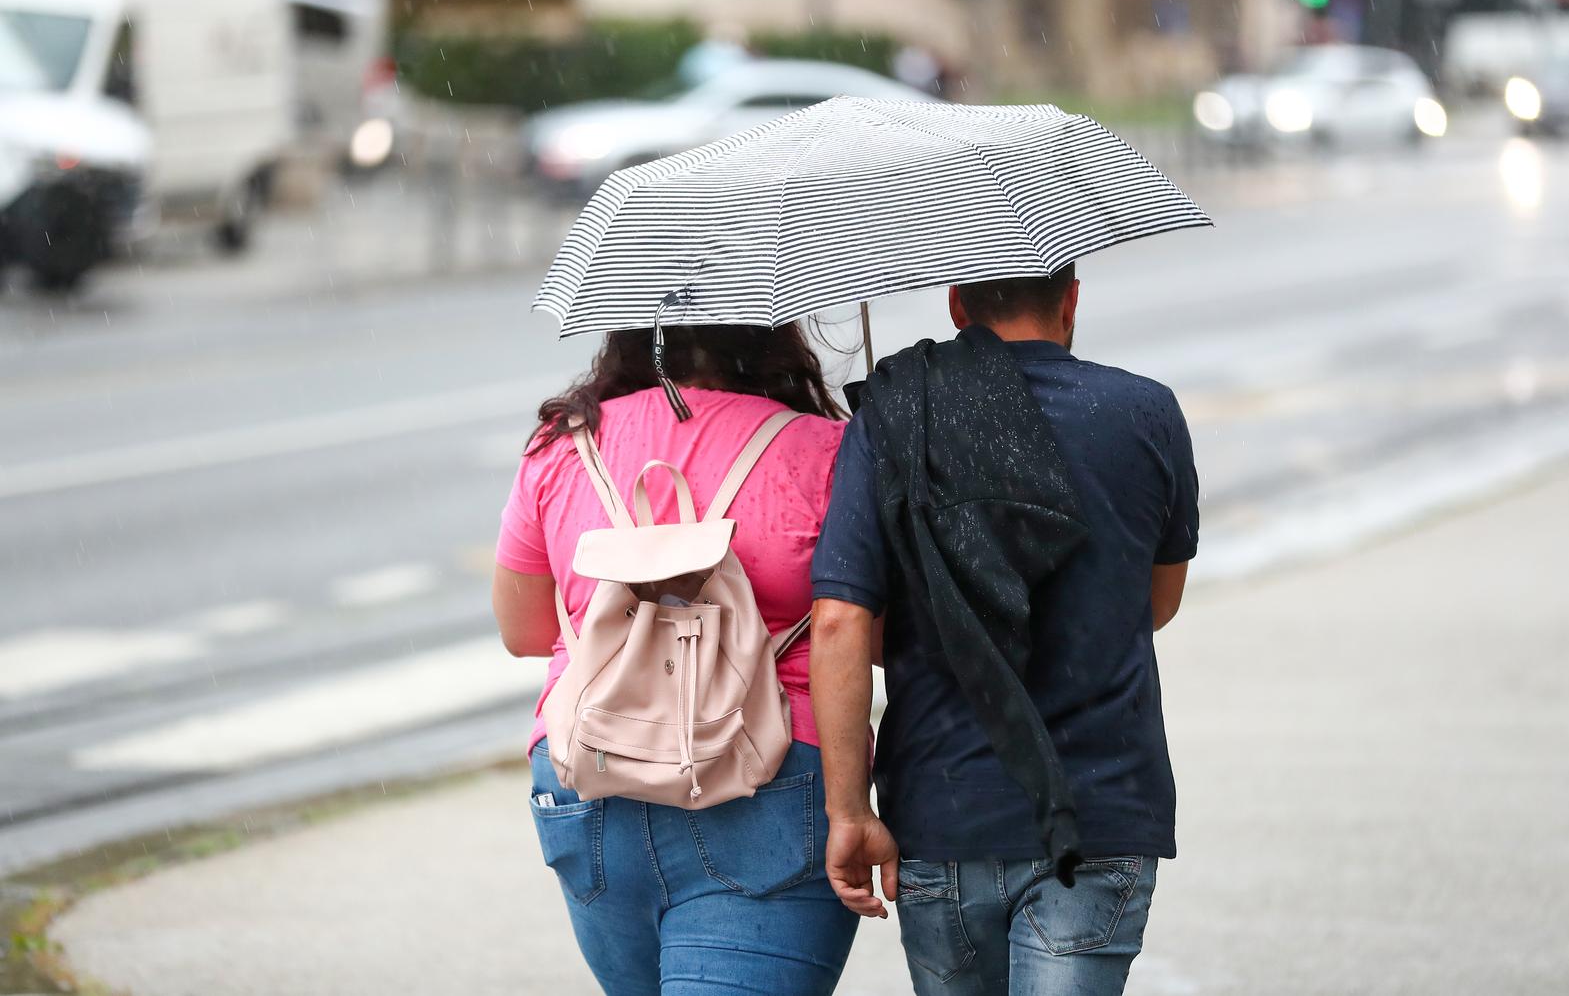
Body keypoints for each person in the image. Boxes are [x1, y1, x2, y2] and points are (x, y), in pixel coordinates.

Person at [810, 263, 1199, 995]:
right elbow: (1155, 603)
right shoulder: (1145, 412)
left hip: (944, 807)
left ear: (957, 306)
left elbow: (838, 621)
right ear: (1072, 298)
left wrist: (848, 809)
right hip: (1100, 809)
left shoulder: (897, 415)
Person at [492, 324, 857, 996]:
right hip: (768, 783)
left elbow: (523, 630)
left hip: (593, 774)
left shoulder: (562, 444)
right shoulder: (822, 449)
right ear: (768, 328)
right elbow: (869, 634)